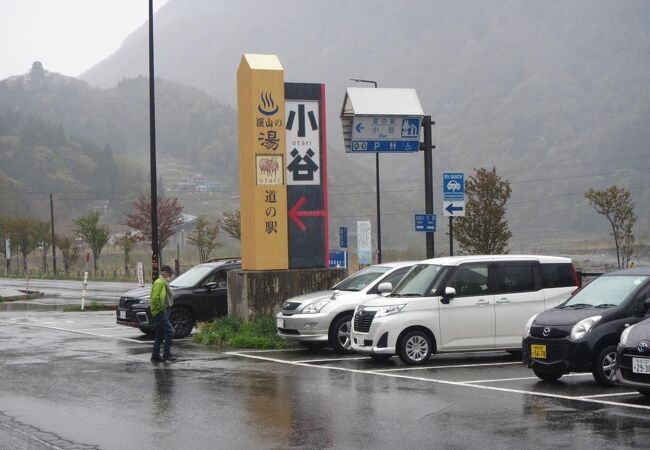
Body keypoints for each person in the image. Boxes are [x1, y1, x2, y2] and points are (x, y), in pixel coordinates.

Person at [150, 265, 176, 363]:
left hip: (162, 310)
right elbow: (155, 298)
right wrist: (160, 309)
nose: (170, 275)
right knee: (170, 331)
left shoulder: (163, 282)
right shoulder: (159, 283)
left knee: (160, 335)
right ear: (164, 273)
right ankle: (166, 354)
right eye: (169, 273)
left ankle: (155, 356)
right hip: (160, 311)